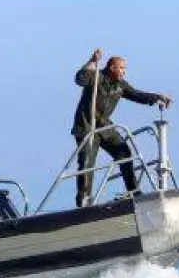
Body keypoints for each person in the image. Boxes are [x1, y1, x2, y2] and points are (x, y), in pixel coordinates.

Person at [71, 49, 172, 207]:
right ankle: (84, 201)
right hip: (86, 126)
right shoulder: (95, 77)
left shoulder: (120, 85)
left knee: (124, 153)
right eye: (121, 68)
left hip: (104, 126)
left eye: (125, 69)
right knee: (87, 163)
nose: (124, 72)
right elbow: (79, 80)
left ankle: (133, 192)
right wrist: (91, 61)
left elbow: (137, 95)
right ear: (112, 68)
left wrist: (157, 97)